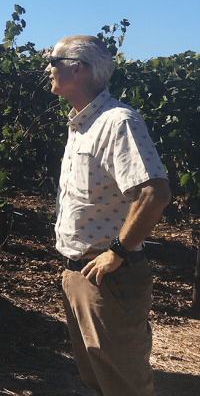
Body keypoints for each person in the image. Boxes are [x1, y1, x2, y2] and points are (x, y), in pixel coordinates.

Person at [44, 36, 172, 396]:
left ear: (77, 68)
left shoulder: (118, 122)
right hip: (79, 274)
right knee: (97, 381)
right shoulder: (82, 124)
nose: (48, 68)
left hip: (108, 279)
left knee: (123, 384)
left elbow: (154, 192)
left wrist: (118, 251)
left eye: (53, 60)